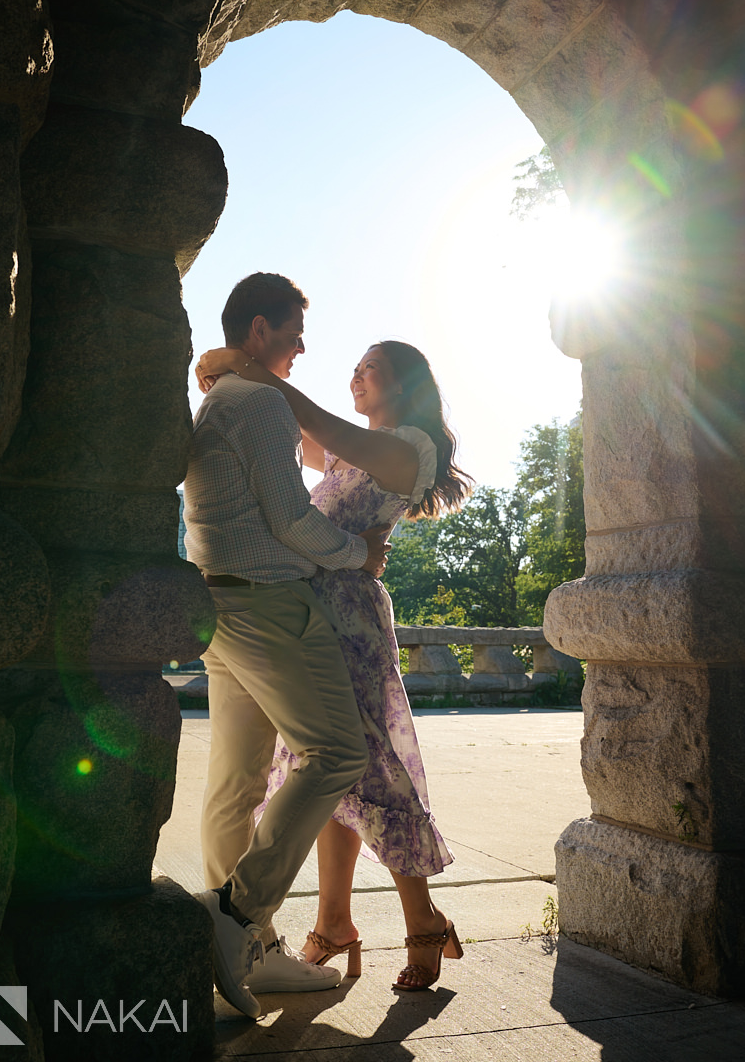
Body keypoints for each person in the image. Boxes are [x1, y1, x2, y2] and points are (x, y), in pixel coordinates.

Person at [195, 336, 472, 993]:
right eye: (353, 369)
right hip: (311, 614)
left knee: (374, 771)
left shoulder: (407, 447)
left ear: (404, 384)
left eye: (368, 369)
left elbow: (312, 422)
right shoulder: (351, 450)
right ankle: (332, 924)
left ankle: (422, 921)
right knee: (330, 779)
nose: (355, 376)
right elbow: (290, 430)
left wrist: (249, 367)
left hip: (349, 619)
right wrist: (227, 375)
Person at [183, 272, 391, 1019]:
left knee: (236, 782)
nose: (303, 347)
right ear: (262, 330)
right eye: (295, 332)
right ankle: (237, 917)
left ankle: (251, 949)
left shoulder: (215, 400)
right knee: (337, 753)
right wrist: (356, 554)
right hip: (271, 605)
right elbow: (293, 521)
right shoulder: (260, 401)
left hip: (219, 605)